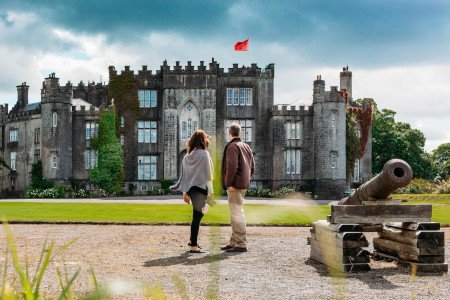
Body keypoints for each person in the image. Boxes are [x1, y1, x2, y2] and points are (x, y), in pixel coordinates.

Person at [170, 129, 214, 254]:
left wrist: (185, 193)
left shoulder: (186, 157)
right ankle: (194, 246)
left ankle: (192, 240)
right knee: (197, 216)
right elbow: (208, 175)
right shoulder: (204, 154)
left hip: (191, 190)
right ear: (203, 140)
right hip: (202, 188)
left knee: (198, 215)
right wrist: (212, 193)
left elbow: (184, 177)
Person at [221, 122, 255, 252]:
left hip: (235, 186)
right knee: (235, 213)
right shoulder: (246, 146)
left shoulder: (232, 146)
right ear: (240, 133)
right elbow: (252, 167)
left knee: (237, 213)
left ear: (229, 133)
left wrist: (228, 183)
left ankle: (240, 244)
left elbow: (232, 166)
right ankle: (234, 242)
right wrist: (246, 179)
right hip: (243, 184)